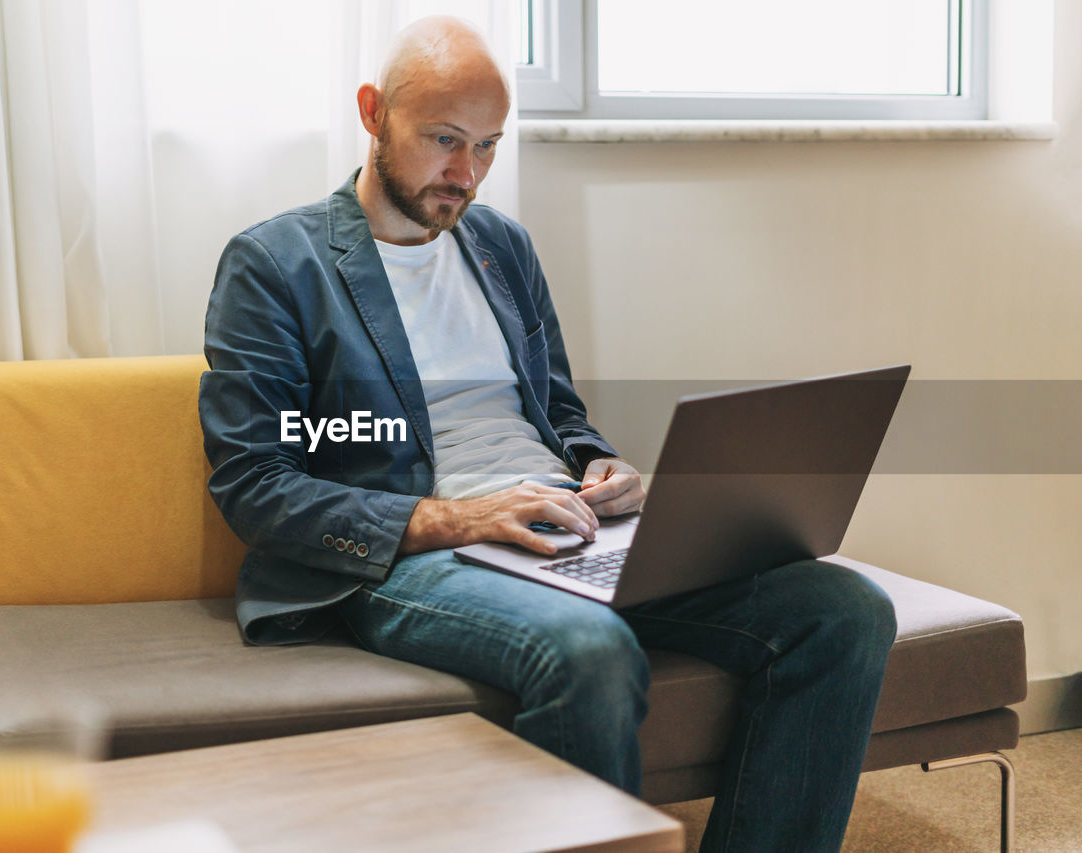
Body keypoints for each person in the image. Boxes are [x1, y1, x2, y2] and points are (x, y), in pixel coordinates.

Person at [199, 16, 896, 853]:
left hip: (563, 522)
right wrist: (462, 517)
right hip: (416, 551)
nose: (466, 174)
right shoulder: (276, 264)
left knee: (842, 608)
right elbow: (254, 484)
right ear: (372, 112)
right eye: (444, 140)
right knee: (588, 647)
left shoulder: (500, 245)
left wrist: (600, 467)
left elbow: (558, 414)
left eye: (488, 146)